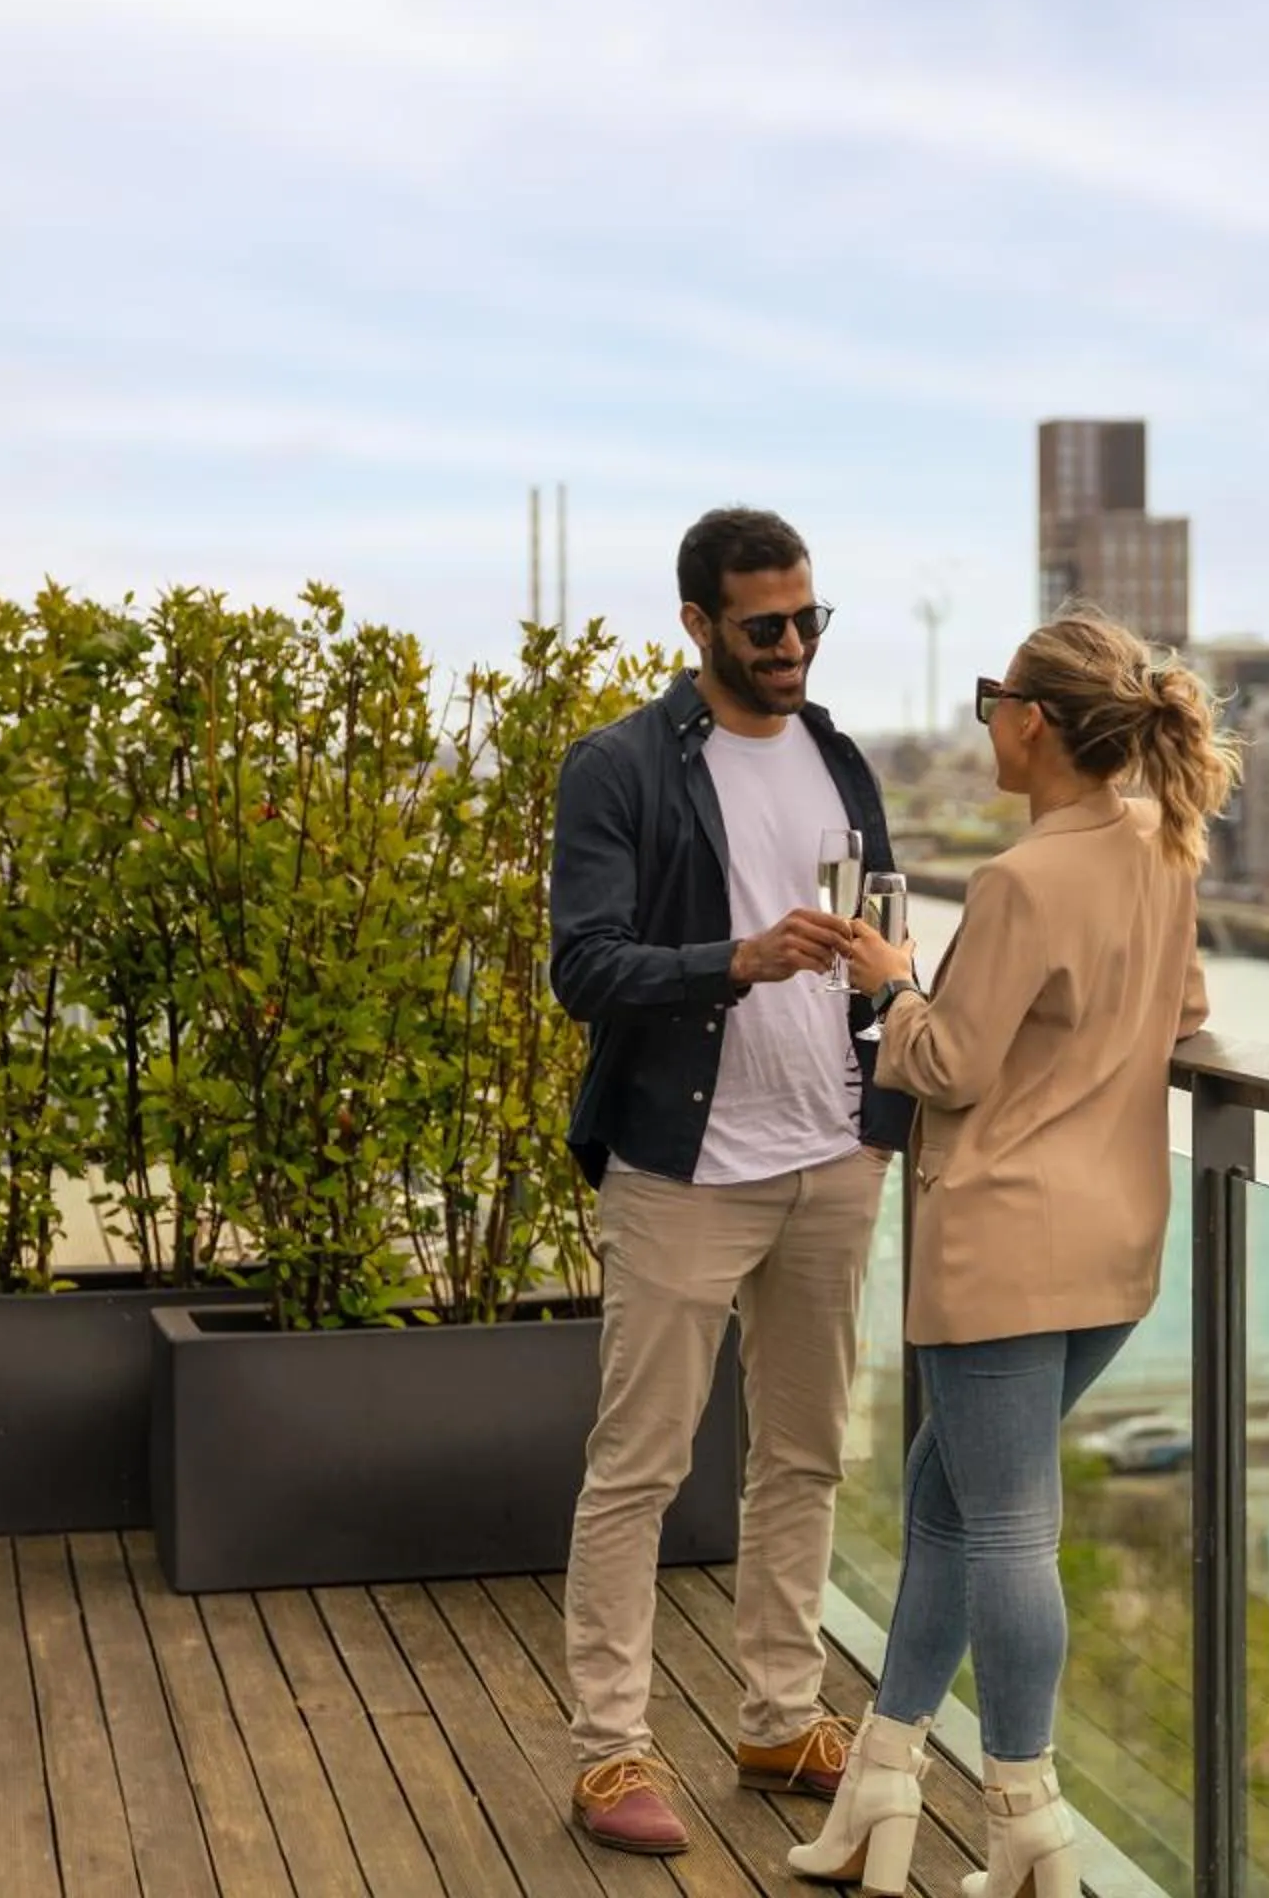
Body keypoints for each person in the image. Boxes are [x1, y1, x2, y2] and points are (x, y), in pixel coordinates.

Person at [789, 612, 1236, 1896]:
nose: (988, 716)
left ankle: (1027, 1811)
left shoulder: (1023, 880)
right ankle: (881, 1787)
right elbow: (1185, 1013)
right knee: (942, 1503)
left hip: (1000, 1250)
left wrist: (890, 977)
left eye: (995, 696)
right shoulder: (1161, 845)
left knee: (1006, 1531)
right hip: (1111, 1248)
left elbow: (945, 1063)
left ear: (1033, 720)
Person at [546, 505, 914, 1857]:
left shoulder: (838, 758)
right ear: (697, 623)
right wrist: (733, 959)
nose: (793, 646)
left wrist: (877, 1111)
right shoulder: (621, 768)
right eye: (765, 625)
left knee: (806, 1456)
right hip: (683, 1172)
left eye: (810, 620)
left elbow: (885, 940)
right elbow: (580, 967)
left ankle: (777, 1716)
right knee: (638, 1467)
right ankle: (609, 1752)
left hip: (833, 1160)